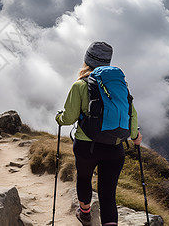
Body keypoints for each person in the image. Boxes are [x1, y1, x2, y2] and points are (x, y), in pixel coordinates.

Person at [55, 42, 142, 226]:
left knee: (84, 178)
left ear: (87, 61)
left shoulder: (80, 85)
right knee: (108, 194)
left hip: (88, 146)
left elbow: (69, 118)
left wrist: (59, 119)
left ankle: (85, 213)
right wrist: (135, 136)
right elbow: (131, 113)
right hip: (115, 147)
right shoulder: (120, 85)